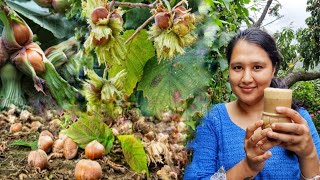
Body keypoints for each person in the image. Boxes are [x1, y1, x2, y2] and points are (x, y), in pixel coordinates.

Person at [184, 28, 320, 179]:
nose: (246, 78)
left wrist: (308, 155)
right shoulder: (214, 120)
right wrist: (247, 167)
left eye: (257, 67)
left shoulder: (298, 121)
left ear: (273, 69)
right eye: (237, 67)